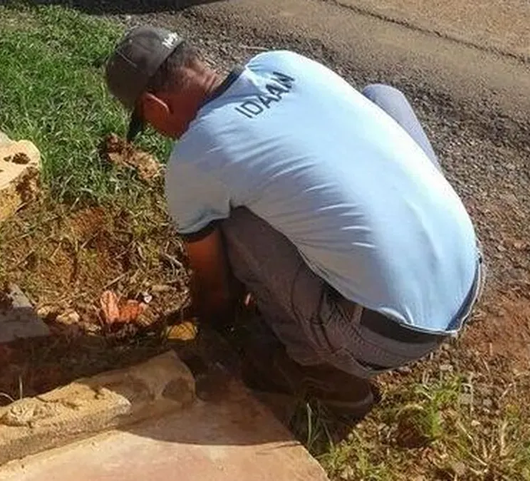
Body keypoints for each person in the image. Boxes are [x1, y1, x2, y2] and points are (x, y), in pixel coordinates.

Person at [104, 26, 484, 419]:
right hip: (466, 273)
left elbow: (216, 290)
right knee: (381, 97)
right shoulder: (283, 63)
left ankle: (324, 372)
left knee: (233, 221)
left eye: (148, 122)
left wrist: (203, 328)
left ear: (155, 106)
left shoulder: (195, 155)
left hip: (387, 336)